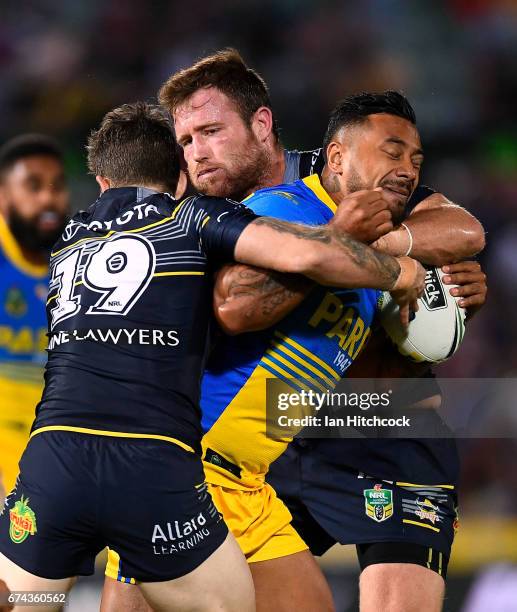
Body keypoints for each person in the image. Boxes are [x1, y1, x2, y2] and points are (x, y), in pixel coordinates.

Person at [102, 50, 486, 612]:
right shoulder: (195, 214)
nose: (196, 154)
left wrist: (392, 260)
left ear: (261, 125)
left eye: (209, 132)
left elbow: (461, 229)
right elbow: (230, 311)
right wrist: (336, 252)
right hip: (254, 443)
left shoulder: (341, 180)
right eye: (185, 142)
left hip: (379, 427)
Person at [0, 102, 423, 612]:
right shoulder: (193, 216)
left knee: (21, 600)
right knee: (227, 605)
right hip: (153, 462)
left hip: (54, 462)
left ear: (100, 178)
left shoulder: (69, 237)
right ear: (180, 173)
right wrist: (398, 273)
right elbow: (308, 254)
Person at [0, 135, 69, 504]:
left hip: (55, 440)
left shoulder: (80, 257)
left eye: (56, 186)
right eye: (33, 186)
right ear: (3, 196)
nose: (48, 199)